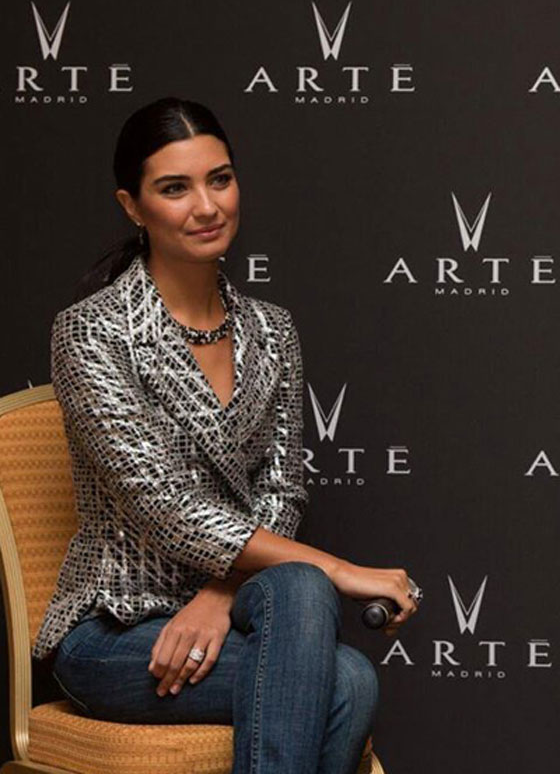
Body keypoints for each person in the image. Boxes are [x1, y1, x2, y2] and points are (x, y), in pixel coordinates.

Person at [32, 96, 419, 774]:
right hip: (116, 628)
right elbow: (164, 508)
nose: (207, 206)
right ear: (132, 206)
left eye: (220, 179)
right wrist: (341, 569)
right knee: (347, 678)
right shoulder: (91, 331)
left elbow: (283, 486)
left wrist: (219, 596)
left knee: (302, 591)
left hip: (240, 609)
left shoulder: (272, 328)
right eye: (174, 188)